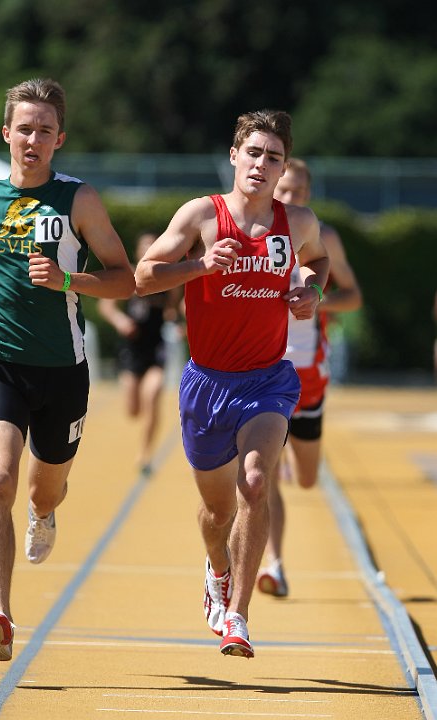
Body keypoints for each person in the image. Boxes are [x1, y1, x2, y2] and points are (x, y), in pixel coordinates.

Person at [0, 78, 135, 662]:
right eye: (25, 127)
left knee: (46, 487)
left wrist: (68, 279)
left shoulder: (80, 200)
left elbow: (125, 276)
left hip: (63, 371)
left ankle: (43, 513)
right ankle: (0, 610)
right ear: (7, 133)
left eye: (45, 130)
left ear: (59, 139)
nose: (34, 138)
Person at [135, 110, 329, 658]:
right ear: (234, 157)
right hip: (206, 384)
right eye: (254, 153)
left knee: (255, 482)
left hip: (269, 381)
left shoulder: (300, 223)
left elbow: (318, 260)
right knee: (217, 513)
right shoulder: (202, 214)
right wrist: (199, 267)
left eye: (274, 157)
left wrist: (310, 291)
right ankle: (217, 566)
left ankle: (238, 618)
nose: (262, 165)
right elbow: (142, 277)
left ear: (283, 166)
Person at [257, 158, 362, 598]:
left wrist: (316, 299)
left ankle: (286, 463)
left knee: (305, 478)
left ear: (309, 196)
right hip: (266, 368)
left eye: (299, 191)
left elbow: (353, 297)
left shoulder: (324, 237)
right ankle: (275, 565)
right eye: (285, 190)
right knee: (261, 475)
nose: (291, 198)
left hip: (309, 375)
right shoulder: (254, 232)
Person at [98, 232, 183, 475]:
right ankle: (139, 414)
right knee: (133, 408)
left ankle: (145, 454)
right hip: (132, 347)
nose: (148, 251)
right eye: (144, 247)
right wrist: (120, 320)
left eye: (152, 247)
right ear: (136, 252)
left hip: (156, 346)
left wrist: (176, 325)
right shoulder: (128, 275)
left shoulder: (168, 277)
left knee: (153, 394)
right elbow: (106, 305)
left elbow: (171, 309)